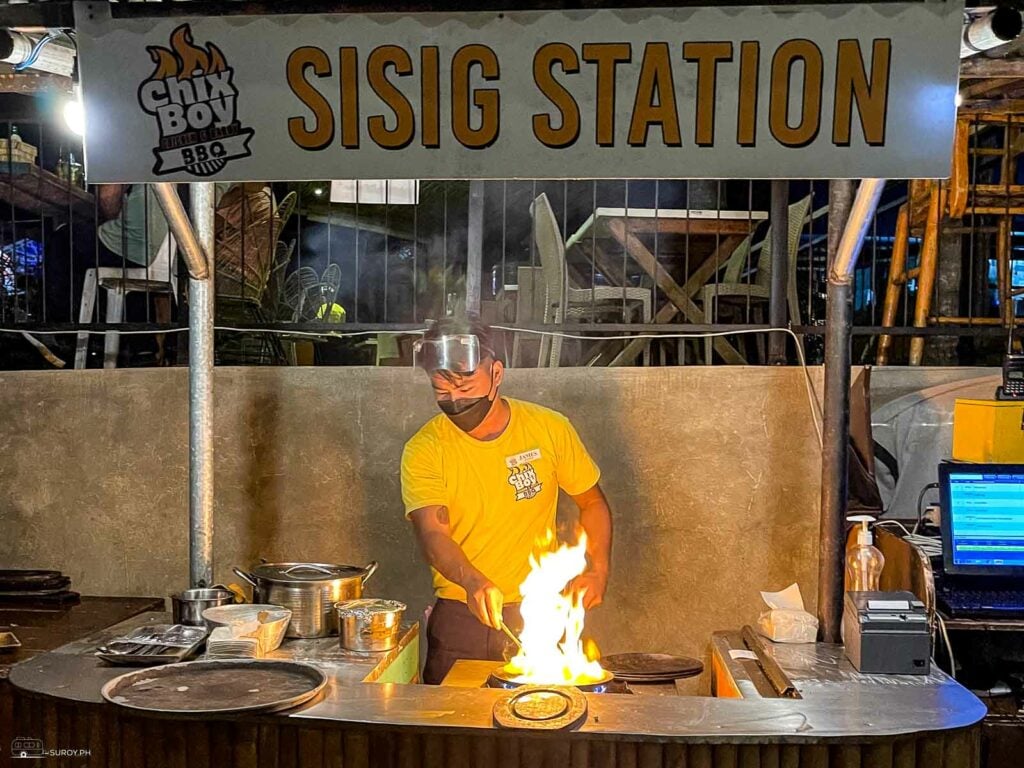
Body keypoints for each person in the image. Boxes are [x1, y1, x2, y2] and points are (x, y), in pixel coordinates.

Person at [401, 316, 613, 684]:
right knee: (452, 734)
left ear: (497, 372)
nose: (455, 399)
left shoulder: (549, 428)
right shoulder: (424, 449)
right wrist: (471, 581)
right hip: (461, 617)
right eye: (441, 388)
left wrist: (598, 570)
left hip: (541, 612)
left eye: (466, 384)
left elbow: (592, 503)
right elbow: (433, 535)